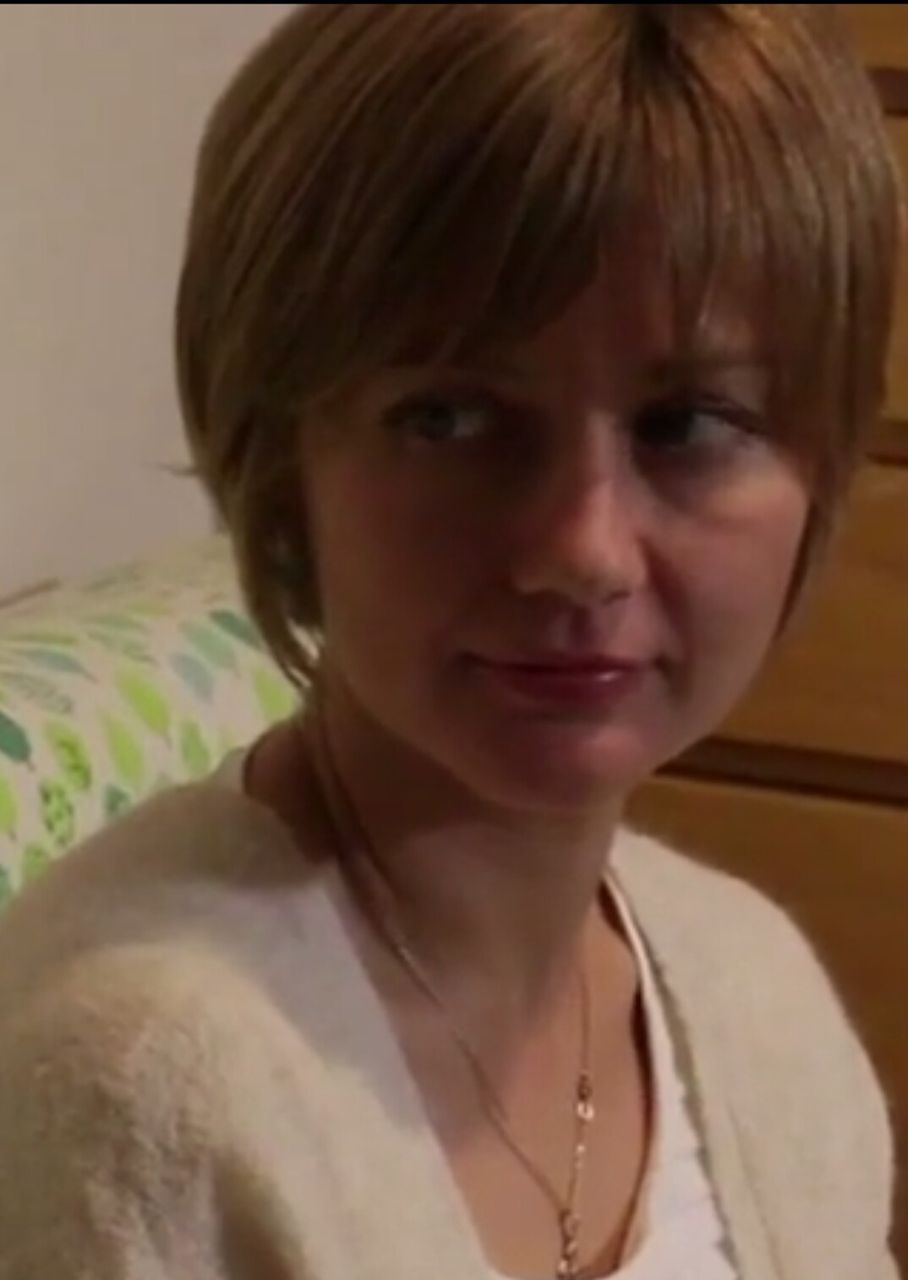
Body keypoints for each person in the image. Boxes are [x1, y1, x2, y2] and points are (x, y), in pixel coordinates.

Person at [0, 5, 901, 1278]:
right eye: (450, 418)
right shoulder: (133, 1085)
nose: (581, 549)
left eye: (688, 423)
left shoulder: (756, 995)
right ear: (281, 460)